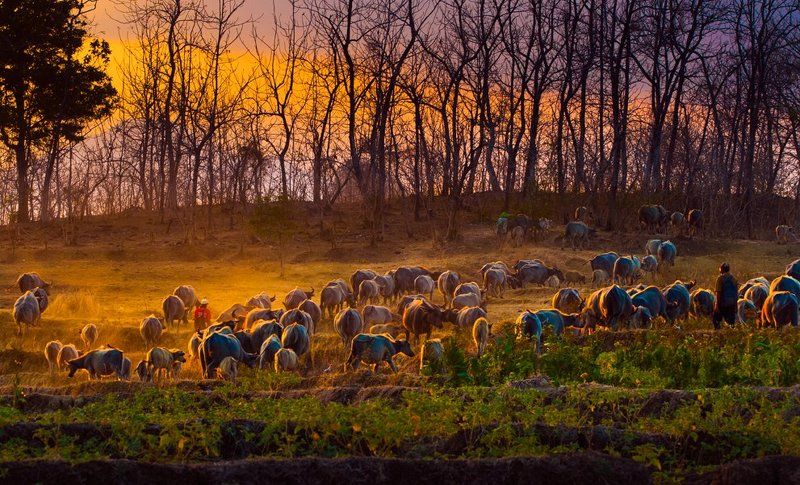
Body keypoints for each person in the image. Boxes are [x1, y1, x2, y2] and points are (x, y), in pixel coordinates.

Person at [713, 263, 738, 329]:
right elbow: (735, 293)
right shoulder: (733, 278)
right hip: (731, 303)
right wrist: (736, 305)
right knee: (731, 323)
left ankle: (718, 335)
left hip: (722, 304)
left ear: (721, 269)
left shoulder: (720, 278)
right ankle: (731, 336)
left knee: (716, 321)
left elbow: (718, 292)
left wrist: (717, 305)